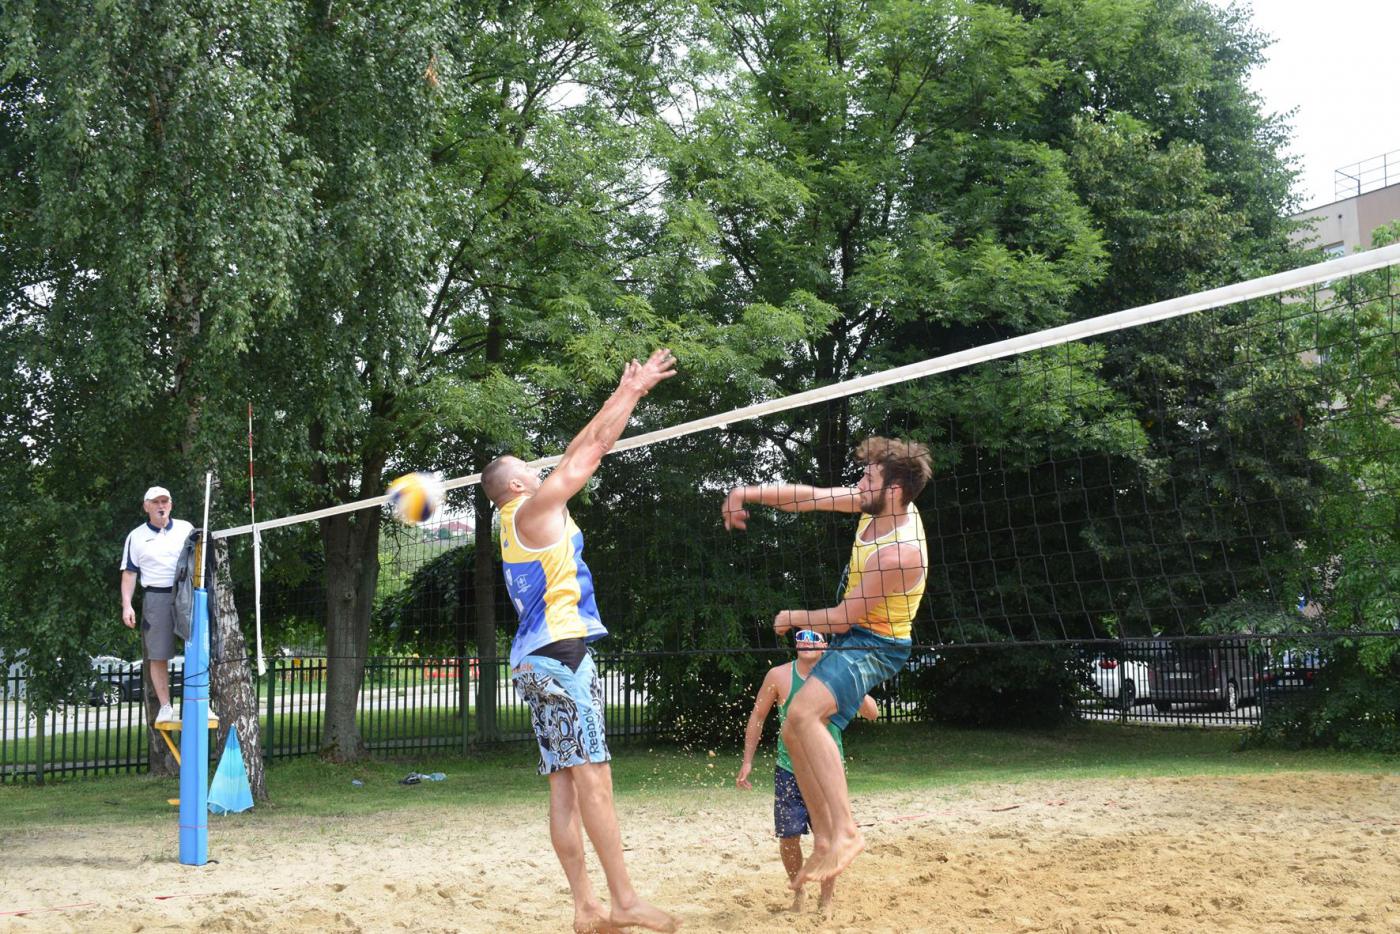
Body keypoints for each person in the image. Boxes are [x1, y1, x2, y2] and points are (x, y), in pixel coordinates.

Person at [480, 349, 679, 934]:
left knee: (565, 786)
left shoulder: (513, 521)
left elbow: (582, 445)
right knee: (593, 776)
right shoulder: (533, 512)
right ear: (518, 483)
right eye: (530, 467)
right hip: (560, 656)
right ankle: (623, 900)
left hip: (536, 661)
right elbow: (588, 452)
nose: (541, 469)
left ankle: (585, 907)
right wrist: (636, 393)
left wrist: (621, 394)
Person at [723, 436, 931, 888]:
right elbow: (809, 498)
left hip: (878, 643)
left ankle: (846, 831)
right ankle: (823, 838)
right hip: (856, 633)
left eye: (869, 477)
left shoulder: (901, 552)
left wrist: (793, 617)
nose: (859, 483)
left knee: (802, 714)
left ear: (894, 489)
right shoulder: (873, 505)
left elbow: (841, 619)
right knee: (793, 727)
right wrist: (745, 492)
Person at [736, 629, 878, 913]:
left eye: (814, 637)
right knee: (788, 838)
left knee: (829, 839)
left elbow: (872, 713)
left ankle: (825, 902)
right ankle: (798, 893)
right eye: (802, 636)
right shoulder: (778, 676)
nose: (806, 641)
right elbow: (758, 716)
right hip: (789, 769)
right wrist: (747, 760)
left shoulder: (838, 677)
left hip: (825, 773)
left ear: (826, 646)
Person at [119, 486, 194, 726]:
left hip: (186, 592)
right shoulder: (136, 536)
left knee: (197, 646)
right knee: (158, 654)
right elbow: (129, 573)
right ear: (146, 506)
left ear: (171, 504)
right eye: (156, 502)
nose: (161, 506)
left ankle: (200, 701)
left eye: (165, 501)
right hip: (156, 596)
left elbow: (200, 559)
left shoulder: (186, 528)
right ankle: (165, 706)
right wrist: (127, 605)